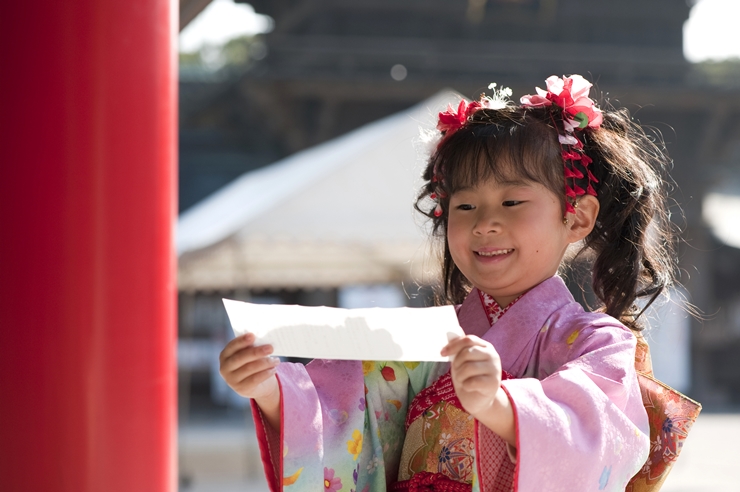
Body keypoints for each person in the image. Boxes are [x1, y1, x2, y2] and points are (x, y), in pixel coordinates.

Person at [219, 75, 679, 492]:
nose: (485, 224)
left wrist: (499, 404)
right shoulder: (425, 342)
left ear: (576, 215)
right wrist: (269, 387)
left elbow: (598, 434)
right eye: (465, 207)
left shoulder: (596, 343)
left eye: (513, 200)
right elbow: (344, 410)